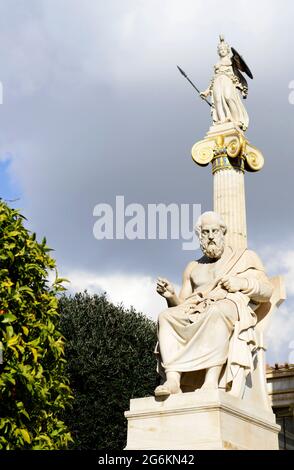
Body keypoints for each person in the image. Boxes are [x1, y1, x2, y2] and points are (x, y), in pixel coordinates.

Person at [154, 211, 273, 397]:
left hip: (228, 306)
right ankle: (173, 379)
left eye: (215, 231)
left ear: (223, 233)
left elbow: (267, 291)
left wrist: (242, 283)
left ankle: (212, 380)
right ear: (199, 236)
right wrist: (170, 296)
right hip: (196, 308)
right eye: (205, 232)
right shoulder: (193, 267)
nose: (210, 236)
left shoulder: (245, 257)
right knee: (165, 317)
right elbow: (182, 306)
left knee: (216, 311)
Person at [200, 36, 251, 131]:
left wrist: (238, 60)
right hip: (217, 81)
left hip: (227, 80)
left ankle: (236, 120)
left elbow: (240, 68)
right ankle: (222, 120)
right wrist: (206, 92)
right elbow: (213, 79)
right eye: (220, 49)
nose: (222, 50)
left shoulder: (231, 61)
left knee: (228, 97)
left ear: (227, 50)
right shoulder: (217, 64)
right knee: (218, 100)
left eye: (224, 49)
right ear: (218, 51)